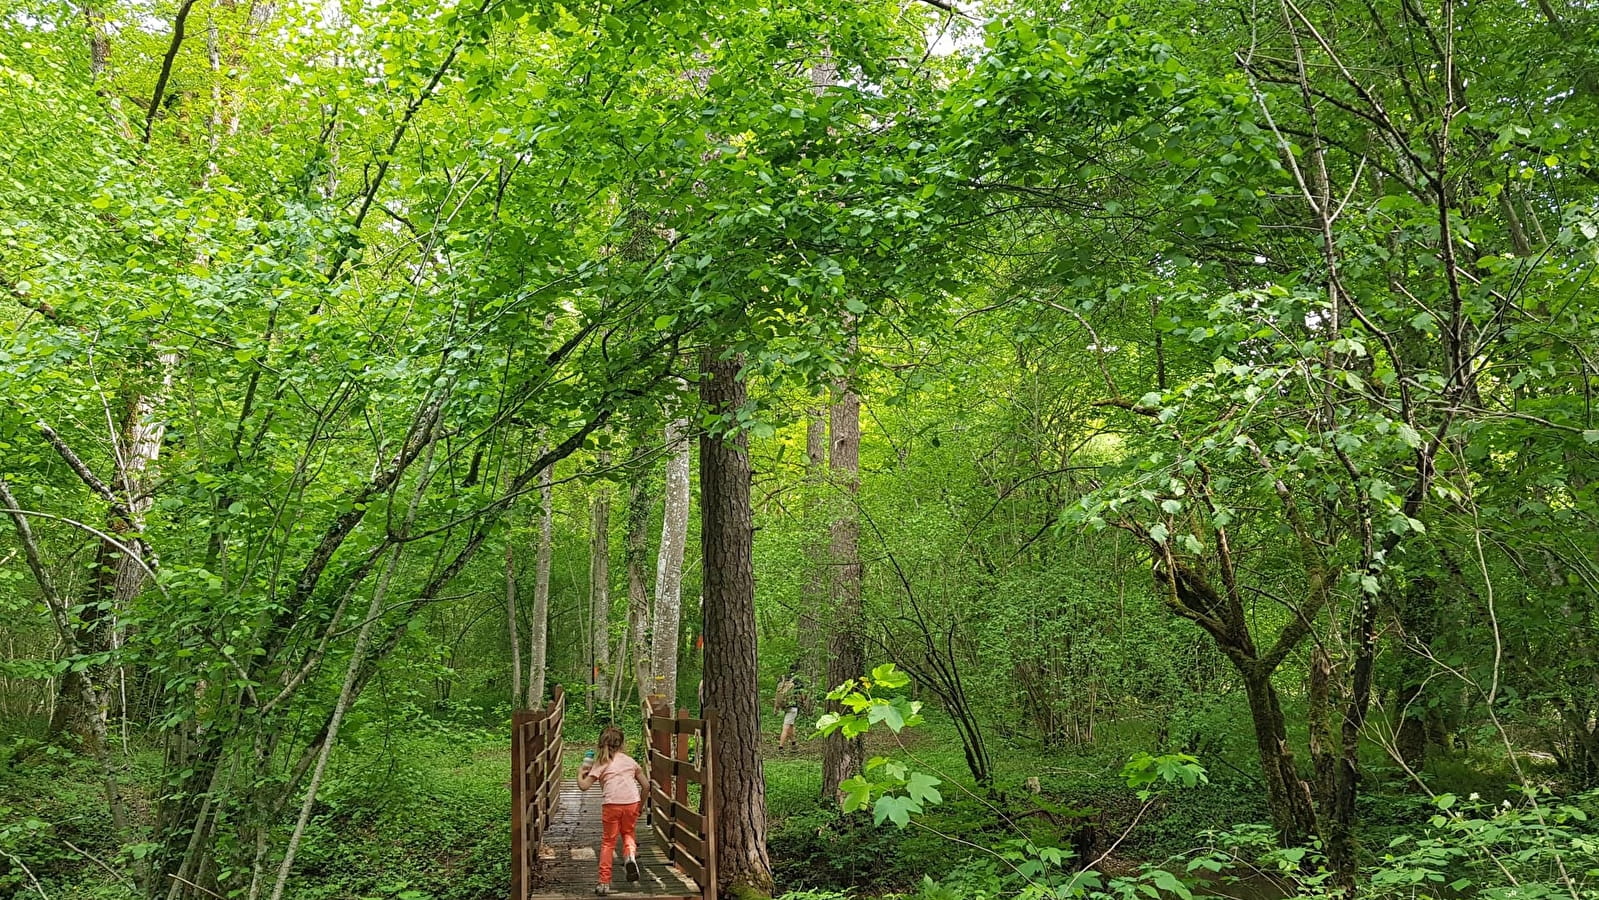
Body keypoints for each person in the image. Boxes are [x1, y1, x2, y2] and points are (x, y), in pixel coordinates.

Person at [578, 726, 649, 895]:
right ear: (622, 744)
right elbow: (646, 786)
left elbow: (583, 786)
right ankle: (629, 856)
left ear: (600, 744)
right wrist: (641, 806)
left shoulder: (601, 763)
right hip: (632, 802)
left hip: (611, 805)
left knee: (608, 842)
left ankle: (604, 882)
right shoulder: (630, 761)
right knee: (628, 833)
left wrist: (580, 773)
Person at [774, 669, 806, 751]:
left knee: (790, 725)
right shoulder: (797, 681)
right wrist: (804, 702)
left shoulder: (783, 680)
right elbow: (802, 695)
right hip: (793, 707)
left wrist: (776, 708)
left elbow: (778, 695)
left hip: (785, 706)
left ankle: (794, 743)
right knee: (786, 727)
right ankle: (780, 747)